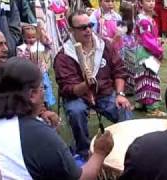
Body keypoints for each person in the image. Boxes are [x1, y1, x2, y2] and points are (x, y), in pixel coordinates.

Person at [0, 58, 114, 179]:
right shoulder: (37, 135)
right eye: (42, 88)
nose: (43, 93)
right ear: (32, 95)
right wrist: (99, 152)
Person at [54, 10, 133, 160]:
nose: (88, 30)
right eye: (83, 27)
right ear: (71, 30)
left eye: (90, 25)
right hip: (78, 96)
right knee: (76, 111)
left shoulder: (104, 45)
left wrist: (120, 94)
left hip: (103, 93)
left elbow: (119, 70)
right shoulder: (64, 55)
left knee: (123, 107)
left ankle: (125, 147)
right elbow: (67, 89)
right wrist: (86, 85)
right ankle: (84, 152)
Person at [133, 0, 167, 117]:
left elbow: (149, 37)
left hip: (142, 51)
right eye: (148, 1)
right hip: (146, 52)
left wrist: (157, 41)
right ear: (141, 3)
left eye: (153, 0)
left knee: (143, 77)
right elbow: (148, 40)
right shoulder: (144, 20)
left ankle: (141, 103)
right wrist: (159, 50)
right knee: (150, 78)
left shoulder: (144, 17)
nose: (151, 3)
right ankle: (152, 108)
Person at [17, 24, 56, 108]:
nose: (31, 40)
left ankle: (47, 105)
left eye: (33, 37)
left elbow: (49, 46)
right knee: (34, 90)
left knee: (45, 87)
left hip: (42, 73)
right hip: (29, 74)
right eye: (29, 37)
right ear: (24, 37)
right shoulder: (22, 48)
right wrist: (27, 51)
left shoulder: (40, 46)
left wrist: (44, 34)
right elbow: (21, 59)